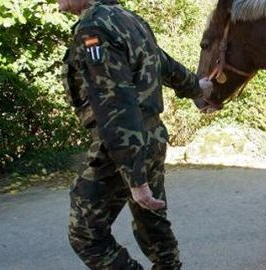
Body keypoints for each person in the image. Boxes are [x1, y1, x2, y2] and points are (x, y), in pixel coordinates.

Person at [59, 0, 208, 268]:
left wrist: (135, 178)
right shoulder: (130, 19)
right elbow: (163, 62)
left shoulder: (94, 27)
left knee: (85, 233)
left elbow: (115, 102)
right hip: (151, 137)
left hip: (122, 144)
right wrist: (196, 87)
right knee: (152, 221)